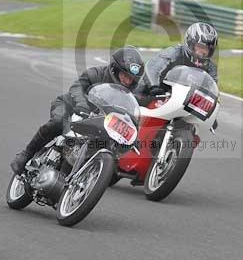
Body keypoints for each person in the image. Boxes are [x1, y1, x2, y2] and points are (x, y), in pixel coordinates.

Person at [10, 46, 146, 175]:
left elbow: (129, 115)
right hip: (70, 106)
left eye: (131, 79)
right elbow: (77, 87)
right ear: (114, 69)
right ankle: (26, 154)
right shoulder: (96, 73)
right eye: (124, 75)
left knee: (105, 145)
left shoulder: (127, 96)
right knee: (58, 122)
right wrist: (82, 104)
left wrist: (133, 136)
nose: (127, 81)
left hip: (96, 123)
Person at [135, 22, 219, 104]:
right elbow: (152, 67)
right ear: (190, 42)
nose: (203, 52)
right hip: (154, 94)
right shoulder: (174, 53)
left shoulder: (210, 67)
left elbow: (212, 91)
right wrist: (154, 87)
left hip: (183, 103)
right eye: (200, 46)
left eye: (207, 49)